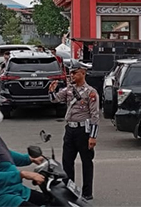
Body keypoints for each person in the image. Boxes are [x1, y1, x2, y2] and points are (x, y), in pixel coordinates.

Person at [48, 62, 99, 200]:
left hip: (84, 131)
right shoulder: (69, 90)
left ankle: (87, 193)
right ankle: (69, 191)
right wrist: (51, 91)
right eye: (71, 73)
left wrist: (93, 136)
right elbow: (55, 99)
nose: (72, 76)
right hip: (70, 130)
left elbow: (95, 116)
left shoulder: (90, 92)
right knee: (67, 162)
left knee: (86, 162)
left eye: (75, 73)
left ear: (83, 73)